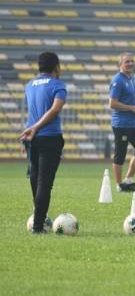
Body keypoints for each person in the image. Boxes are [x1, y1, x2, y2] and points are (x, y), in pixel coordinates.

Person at [20, 52, 66, 234]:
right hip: (49, 137)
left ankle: (39, 217)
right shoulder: (57, 85)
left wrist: (32, 129)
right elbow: (55, 109)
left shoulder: (29, 85)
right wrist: (37, 127)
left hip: (31, 138)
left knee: (35, 178)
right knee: (44, 183)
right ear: (57, 67)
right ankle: (38, 226)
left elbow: (33, 110)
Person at [109, 52, 135, 192]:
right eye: (127, 62)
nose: (130, 63)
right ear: (120, 64)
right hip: (121, 124)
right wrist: (132, 108)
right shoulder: (117, 80)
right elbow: (112, 103)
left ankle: (129, 179)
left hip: (133, 123)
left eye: (132, 61)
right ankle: (119, 185)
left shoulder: (131, 78)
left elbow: (132, 97)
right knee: (120, 154)